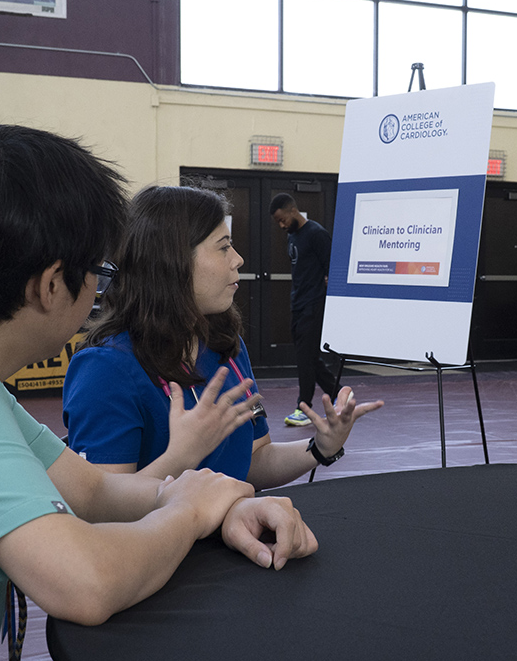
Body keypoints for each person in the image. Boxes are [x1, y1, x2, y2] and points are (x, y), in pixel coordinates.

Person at [0, 125, 317, 661]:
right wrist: (188, 515)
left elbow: (89, 491)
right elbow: (84, 583)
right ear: (51, 286)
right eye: (98, 270)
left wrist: (211, 502)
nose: (100, 286)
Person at [63, 185, 382, 488]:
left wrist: (320, 447)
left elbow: (254, 461)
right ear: (172, 262)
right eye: (224, 247)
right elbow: (102, 508)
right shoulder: (105, 369)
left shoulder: (223, 343)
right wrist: (181, 457)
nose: (238, 259)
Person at [268, 193, 337, 426]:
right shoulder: (292, 237)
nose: (281, 225)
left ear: (292, 211)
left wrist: (324, 300)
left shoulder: (317, 234)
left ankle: (304, 407)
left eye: (282, 219)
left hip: (314, 304)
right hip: (297, 303)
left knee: (305, 358)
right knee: (310, 358)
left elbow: (331, 270)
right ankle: (339, 395)